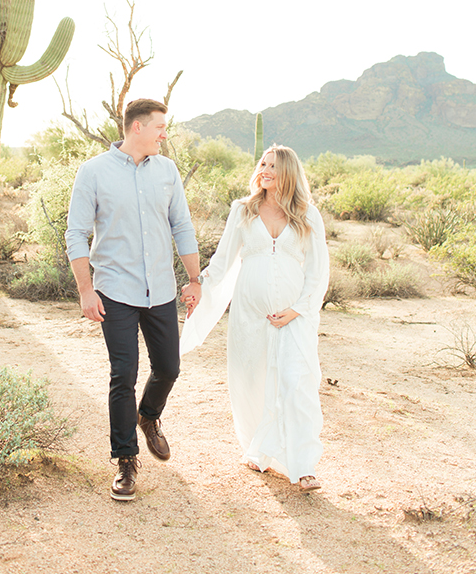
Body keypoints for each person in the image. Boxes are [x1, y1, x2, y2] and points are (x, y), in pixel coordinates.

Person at [65, 98, 200, 501]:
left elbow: (182, 225)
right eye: (160, 126)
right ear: (136, 127)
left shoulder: (167, 170)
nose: (164, 134)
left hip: (160, 289)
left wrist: (195, 279)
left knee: (169, 368)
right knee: (122, 374)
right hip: (115, 291)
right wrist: (86, 290)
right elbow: (75, 233)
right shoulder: (93, 172)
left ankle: (149, 416)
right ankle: (126, 460)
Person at [180, 145, 329, 492]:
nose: (265, 170)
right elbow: (223, 261)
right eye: (263, 164)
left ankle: (304, 465)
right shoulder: (243, 211)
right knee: (251, 380)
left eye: (273, 166)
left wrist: (299, 309)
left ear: (288, 172)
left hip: (294, 315)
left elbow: (319, 273)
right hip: (250, 312)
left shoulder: (308, 215)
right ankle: (258, 450)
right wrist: (198, 284)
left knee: (297, 383)